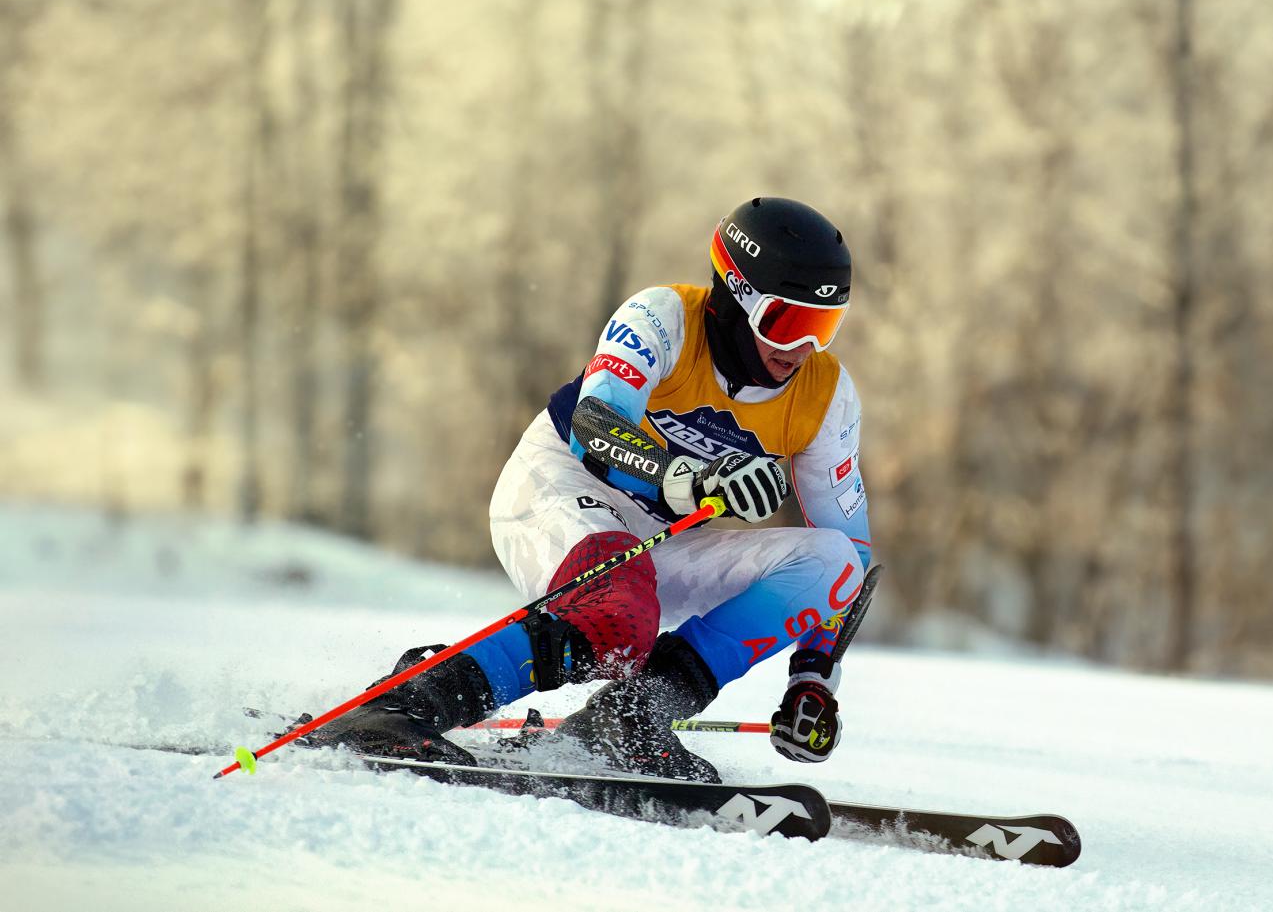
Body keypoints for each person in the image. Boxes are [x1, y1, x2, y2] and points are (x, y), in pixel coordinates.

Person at [305, 197, 873, 783]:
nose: (802, 348)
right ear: (736, 296)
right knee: (618, 615)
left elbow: (849, 551)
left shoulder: (826, 396)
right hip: (557, 490)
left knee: (830, 562)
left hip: (656, 541)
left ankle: (633, 719)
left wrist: (814, 678)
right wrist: (693, 480)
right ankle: (403, 705)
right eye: (788, 322)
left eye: (823, 327)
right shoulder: (663, 319)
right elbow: (595, 427)